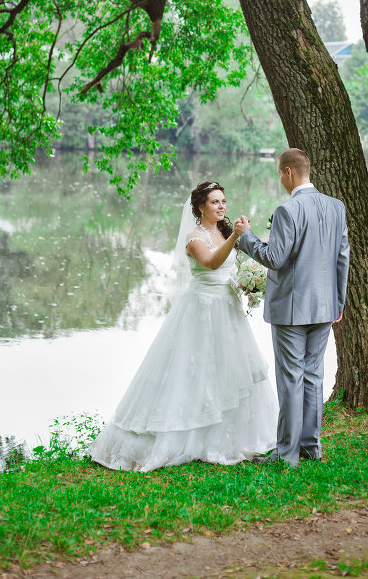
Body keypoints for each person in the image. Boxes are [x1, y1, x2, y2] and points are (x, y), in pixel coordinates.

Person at [89, 181, 277, 472]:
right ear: (200, 207)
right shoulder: (194, 238)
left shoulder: (224, 232)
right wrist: (236, 237)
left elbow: (230, 266)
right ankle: (185, 438)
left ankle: (230, 438)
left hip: (228, 308)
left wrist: (249, 280)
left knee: (230, 370)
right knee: (196, 371)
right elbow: (212, 263)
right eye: (215, 202)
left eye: (223, 201)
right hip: (201, 310)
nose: (222, 206)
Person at [236, 149, 349, 466]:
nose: (280, 180)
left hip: (292, 309)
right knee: (313, 376)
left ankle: (286, 454)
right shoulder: (335, 207)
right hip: (325, 306)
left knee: (291, 378)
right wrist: (337, 302)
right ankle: (311, 448)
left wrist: (247, 237)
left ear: (288, 172)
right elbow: (343, 257)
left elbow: (274, 258)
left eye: (279, 173)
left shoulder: (288, 210)